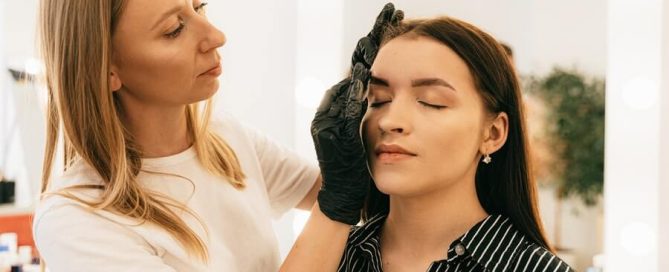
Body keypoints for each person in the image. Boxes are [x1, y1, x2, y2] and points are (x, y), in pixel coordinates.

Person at [33, 0, 401, 271]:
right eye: (174, 29)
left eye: (200, 7)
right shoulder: (75, 220)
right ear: (108, 68)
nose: (215, 36)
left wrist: (371, 109)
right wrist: (337, 200)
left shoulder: (226, 141)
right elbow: (338, 201)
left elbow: (368, 198)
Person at [336, 16, 573, 271]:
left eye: (431, 101)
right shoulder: (330, 256)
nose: (390, 121)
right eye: (377, 100)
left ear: (492, 134)